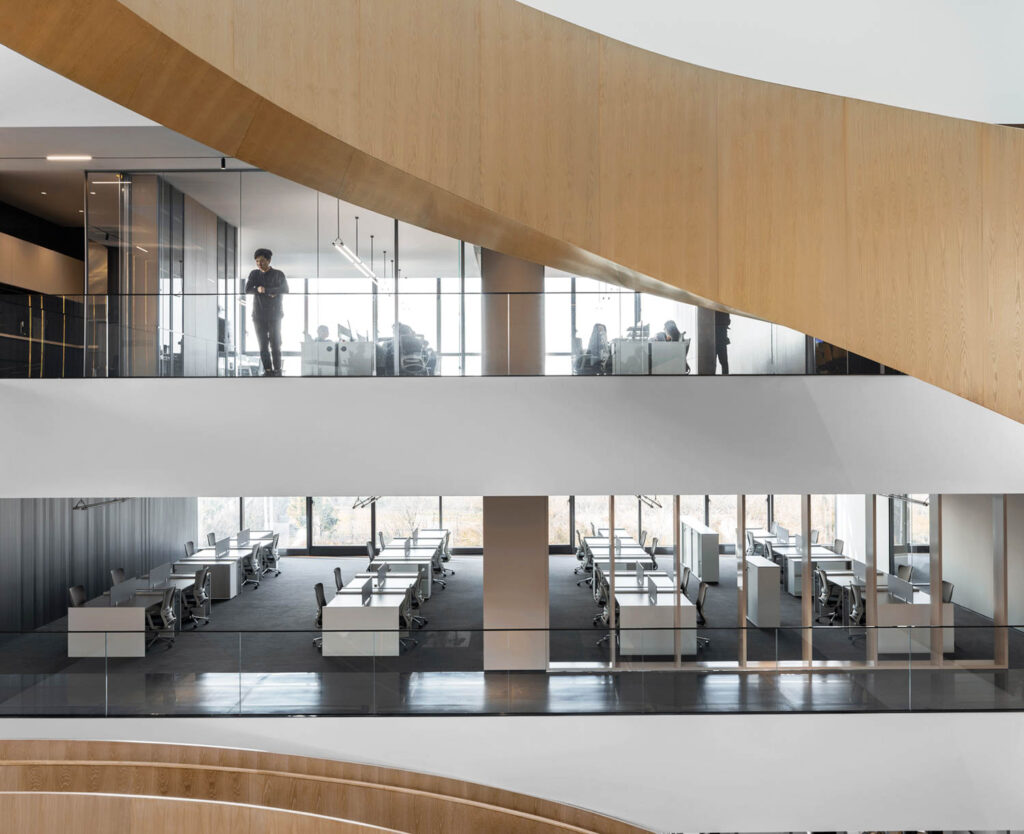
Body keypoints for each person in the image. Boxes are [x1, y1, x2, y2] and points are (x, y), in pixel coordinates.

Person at [244, 248, 289, 376]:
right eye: (257, 261)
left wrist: (269, 290)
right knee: (262, 344)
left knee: (275, 344)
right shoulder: (254, 274)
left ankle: (277, 370)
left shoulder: (278, 274)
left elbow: (285, 289)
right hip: (258, 315)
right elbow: (247, 289)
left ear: (269, 260)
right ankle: (268, 370)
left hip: (275, 315)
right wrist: (258, 289)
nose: (259, 264)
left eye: (262, 261)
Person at [714, 310, 730, 375]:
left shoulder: (712, 310)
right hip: (721, 339)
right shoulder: (724, 309)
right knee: (724, 363)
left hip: (714, 339)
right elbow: (728, 321)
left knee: (712, 364)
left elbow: (727, 321)